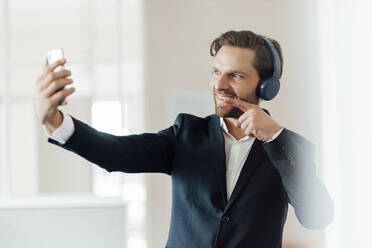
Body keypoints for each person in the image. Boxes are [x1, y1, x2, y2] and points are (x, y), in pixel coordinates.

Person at [34, 30, 334, 247]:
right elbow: (116, 153)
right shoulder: (186, 134)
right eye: (216, 72)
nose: (220, 84)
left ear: (267, 86)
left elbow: (317, 216)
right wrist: (56, 122)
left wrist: (275, 137)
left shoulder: (290, 148)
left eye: (235, 76)